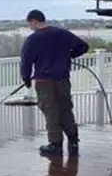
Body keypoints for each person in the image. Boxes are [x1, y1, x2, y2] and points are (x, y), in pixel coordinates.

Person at [20, 9, 90, 156]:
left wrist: (26, 78)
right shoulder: (62, 33)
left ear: (34, 21)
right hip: (63, 79)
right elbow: (83, 46)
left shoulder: (33, 39)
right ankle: (73, 141)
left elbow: (26, 62)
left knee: (50, 111)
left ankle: (55, 144)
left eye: (29, 24)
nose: (30, 27)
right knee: (65, 108)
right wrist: (69, 56)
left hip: (44, 81)